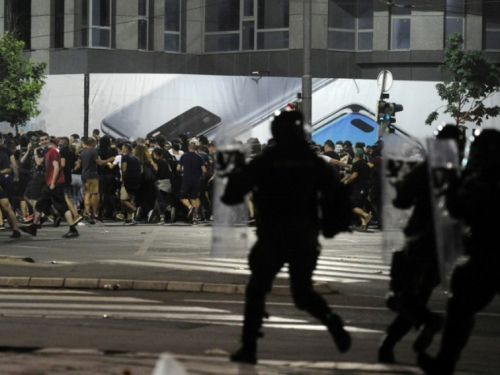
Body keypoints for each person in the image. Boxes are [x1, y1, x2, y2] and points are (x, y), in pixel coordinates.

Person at [221, 111, 352, 365]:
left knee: (257, 288)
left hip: (272, 236)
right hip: (304, 236)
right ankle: (329, 319)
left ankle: (249, 348)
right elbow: (338, 194)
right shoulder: (313, 162)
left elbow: (231, 195)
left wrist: (237, 171)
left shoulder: (267, 160)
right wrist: (329, 226)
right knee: (302, 294)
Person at [380, 125, 465, 365]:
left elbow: (401, 198)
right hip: (446, 247)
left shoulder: (425, 169)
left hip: (420, 240)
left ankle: (426, 323)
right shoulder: (462, 173)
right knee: (417, 298)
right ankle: (388, 344)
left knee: (399, 296)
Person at [418, 129, 500, 375]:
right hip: (487, 252)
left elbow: (457, 208)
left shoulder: (485, 178)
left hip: (491, 255)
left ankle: (445, 363)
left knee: (461, 305)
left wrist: (454, 180)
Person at [20, 139, 79, 238]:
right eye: (41, 140)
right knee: (39, 204)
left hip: (55, 184)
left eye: (45, 140)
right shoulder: (47, 152)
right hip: (49, 184)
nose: (43, 142)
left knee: (62, 206)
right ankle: (33, 227)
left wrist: (52, 183)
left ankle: (73, 229)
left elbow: (56, 167)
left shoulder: (53, 152)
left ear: (50, 142)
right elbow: (40, 163)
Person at [177, 142, 206, 224]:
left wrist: (184, 171)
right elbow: (204, 170)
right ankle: (194, 218)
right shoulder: (199, 157)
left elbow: (178, 168)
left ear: (188, 148)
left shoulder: (184, 156)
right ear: (196, 148)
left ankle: (190, 207)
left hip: (186, 180)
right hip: (196, 180)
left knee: (182, 197)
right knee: (194, 198)